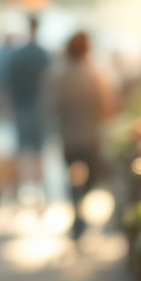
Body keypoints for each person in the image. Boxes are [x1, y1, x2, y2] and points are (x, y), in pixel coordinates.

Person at [51, 31, 112, 237]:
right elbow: (103, 105)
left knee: (72, 176)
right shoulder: (94, 75)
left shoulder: (61, 75)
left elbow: (54, 105)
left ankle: (76, 209)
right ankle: (80, 207)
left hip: (68, 135)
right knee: (91, 176)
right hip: (90, 135)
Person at [5, 15, 51, 205]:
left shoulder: (18, 55)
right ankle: (40, 193)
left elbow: (8, 82)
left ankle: (18, 192)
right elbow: (49, 82)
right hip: (38, 107)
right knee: (38, 151)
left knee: (21, 150)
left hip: (20, 106)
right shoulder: (43, 54)